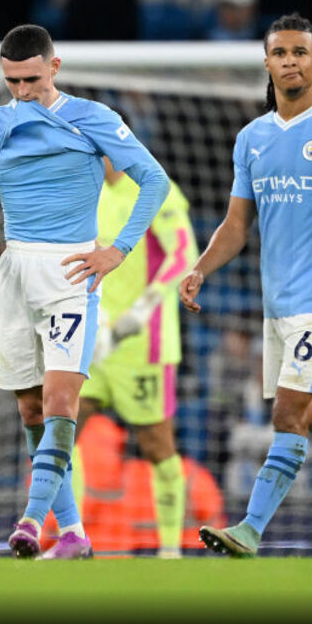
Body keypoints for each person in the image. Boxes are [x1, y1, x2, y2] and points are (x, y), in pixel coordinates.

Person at [0, 24, 170, 560]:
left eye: (31, 79)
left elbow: (155, 180)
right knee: (31, 409)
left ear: (55, 68)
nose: (22, 91)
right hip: (15, 270)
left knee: (60, 400)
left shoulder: (93, 118)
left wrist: (117, 249)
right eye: (12, 81)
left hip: (71, 272)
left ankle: (31, 520)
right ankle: (73, 534)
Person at [180, 13, 312, 560]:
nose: (291, 62)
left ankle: (250, 529)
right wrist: (201, 267)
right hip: (278, 304)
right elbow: (236, 224)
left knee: (288, 414)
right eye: (281, 53)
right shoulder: (252, 139)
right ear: (267, 62)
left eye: (300, 52)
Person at [71, 104, 197, 558]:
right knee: (65, 431)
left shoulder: (155, 187)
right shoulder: (85, 191)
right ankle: (74, 537)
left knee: (157, 443)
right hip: (93, 335)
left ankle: (169, 550)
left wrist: (138, 314)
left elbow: (184, 254)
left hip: (145, 341)